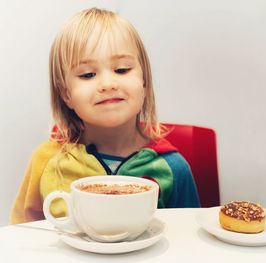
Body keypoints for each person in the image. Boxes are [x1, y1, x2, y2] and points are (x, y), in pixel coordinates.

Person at [10, 7, 200, 224]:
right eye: (88, 74)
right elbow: (23, 234)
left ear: (144, 82)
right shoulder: (45, 162)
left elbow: (188, 238)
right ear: (66, 94)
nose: (108, 84)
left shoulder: (173, 168)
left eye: (121, 70)